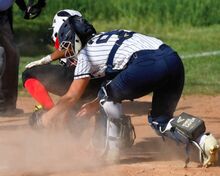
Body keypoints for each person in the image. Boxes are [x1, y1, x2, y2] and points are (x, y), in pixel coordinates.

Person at [30, 16, 219, 167]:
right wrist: (93, 105)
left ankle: (109, 152)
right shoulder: (106, 38)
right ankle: (204, 141)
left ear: (76, 40)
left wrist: (47, 118)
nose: (68, 51)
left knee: (107, 94)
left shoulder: (87, 55)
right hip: (173, 60)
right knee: (160, 120)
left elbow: (72, 96)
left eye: (68, 46)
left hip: (147, 63)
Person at [0, 0, 46, 117]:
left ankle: (5, 105)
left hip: (3, 12)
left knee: (11, 54)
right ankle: (5, 105)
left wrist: (25, 7)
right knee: (6, 55)